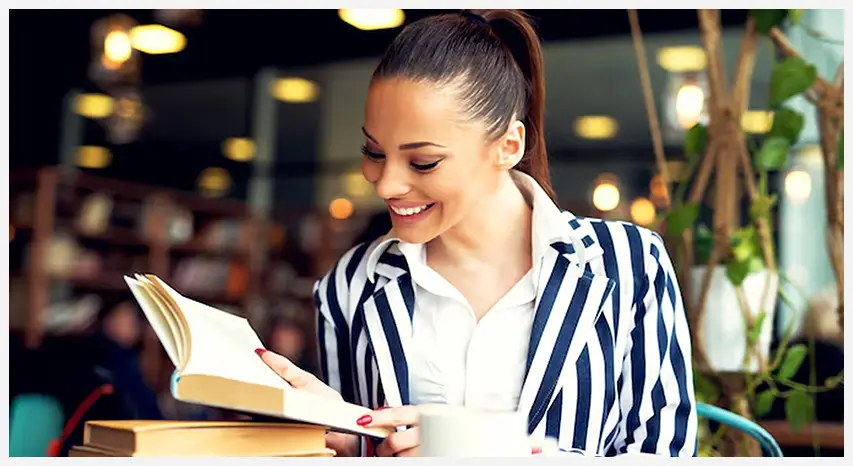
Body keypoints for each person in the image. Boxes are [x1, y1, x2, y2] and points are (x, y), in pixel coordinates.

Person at [256, 9, 696, 457]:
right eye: (374, 152)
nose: (386, 184)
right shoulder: (351, 285)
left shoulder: (629, 264)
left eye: (422, 161)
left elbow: (667, 452)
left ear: (508, 146)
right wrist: (346, 440)